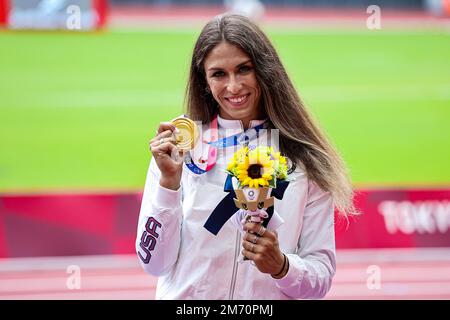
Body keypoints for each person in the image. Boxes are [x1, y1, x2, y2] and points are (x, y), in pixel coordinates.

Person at [136, 14, 356, 300]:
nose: (234, 86)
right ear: (204, 80)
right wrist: (168, 183)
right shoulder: (181, 151)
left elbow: (320, 278)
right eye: (219, 74)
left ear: (265, 71)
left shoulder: (305, 159)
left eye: (244, 69)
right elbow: (153, 264)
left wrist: (282, 267)